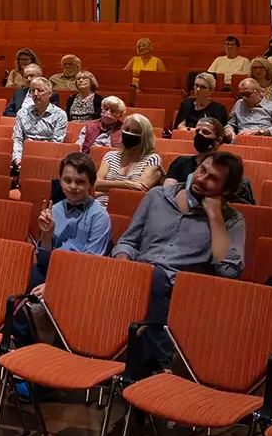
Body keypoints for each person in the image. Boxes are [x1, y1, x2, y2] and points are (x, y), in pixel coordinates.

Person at [111, 152, 247, 371]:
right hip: (135, 275)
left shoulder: (232, 220)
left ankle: (148, 369)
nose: (202, 179)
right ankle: (156, 370)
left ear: (227, 191)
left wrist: (215, 218)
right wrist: (122, 260)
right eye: (202, 170)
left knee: (155, 277)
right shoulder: (157, 196)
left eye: (213, 178)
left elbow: (228, 274)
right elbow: (128, 241)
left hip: (180, 292)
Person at [31, 153, 112, 287]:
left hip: (82, 277)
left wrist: (54, 285)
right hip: (53, 269)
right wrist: (46, 233)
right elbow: (44, 260)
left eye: (80, 182)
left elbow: (90, 264)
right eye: (67, 180)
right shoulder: (55, 210)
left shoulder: (100, 217)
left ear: (91, 184)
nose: (73, 186)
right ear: (60, 181)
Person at [165, 116, 256, 203]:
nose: (200, 134)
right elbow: (167, 193)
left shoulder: (224, 170)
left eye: (205, 132)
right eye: (197, 131)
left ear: (218, 141)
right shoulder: (180, 162)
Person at [97, 114, 163, 194]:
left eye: (136, 132)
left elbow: (138, 190)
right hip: (100, 203)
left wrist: (105, 189)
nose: (129, 134)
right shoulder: (110, 156)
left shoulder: (152, 159)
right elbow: (96, 183)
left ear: (144, 136)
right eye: (127, 130)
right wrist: (125, 184)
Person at [11, 76, 68, 166]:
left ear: (50, 94)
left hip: (47, 158)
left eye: (40, 90)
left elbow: (56, 142)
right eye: (32, 91)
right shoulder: (22, 113)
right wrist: (18, 158)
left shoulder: (60, 115)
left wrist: (42, 160)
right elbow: (17, 139)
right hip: (24, 157)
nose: (35, 94)